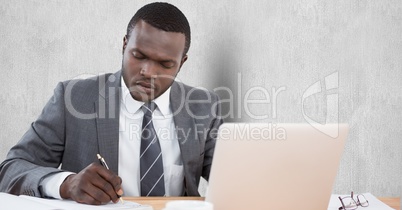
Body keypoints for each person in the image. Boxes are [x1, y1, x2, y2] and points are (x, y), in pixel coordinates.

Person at [0, 2, 223, 205]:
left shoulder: (203, 107)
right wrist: (66, 183)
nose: (148, 72)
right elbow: (10, 170)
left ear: (181, 63)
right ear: (124, 45)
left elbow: (232, 179)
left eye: (165, 64)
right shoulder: (73, 99)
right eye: (138, 55)